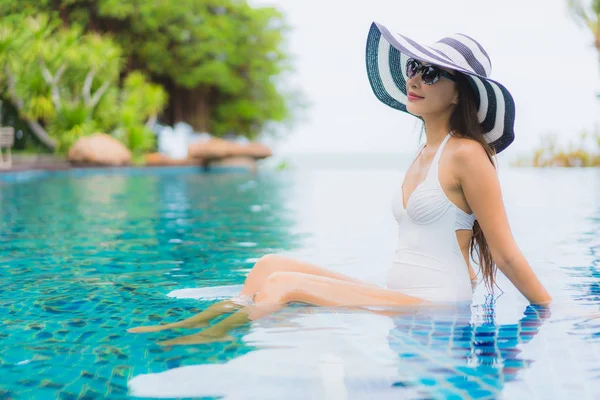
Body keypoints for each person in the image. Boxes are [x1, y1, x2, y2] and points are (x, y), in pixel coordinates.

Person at [128, 22, 552, 344]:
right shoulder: (424, 154)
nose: (415, 79)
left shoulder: (467, 154)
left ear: (460, 94)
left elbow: (505, 252)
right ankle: (180, 328)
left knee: (284, 285)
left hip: (437, 306)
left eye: (431, 73)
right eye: (412, 67)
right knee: (269, 265)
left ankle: (202, 344)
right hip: (402, 297)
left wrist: (552, 309)